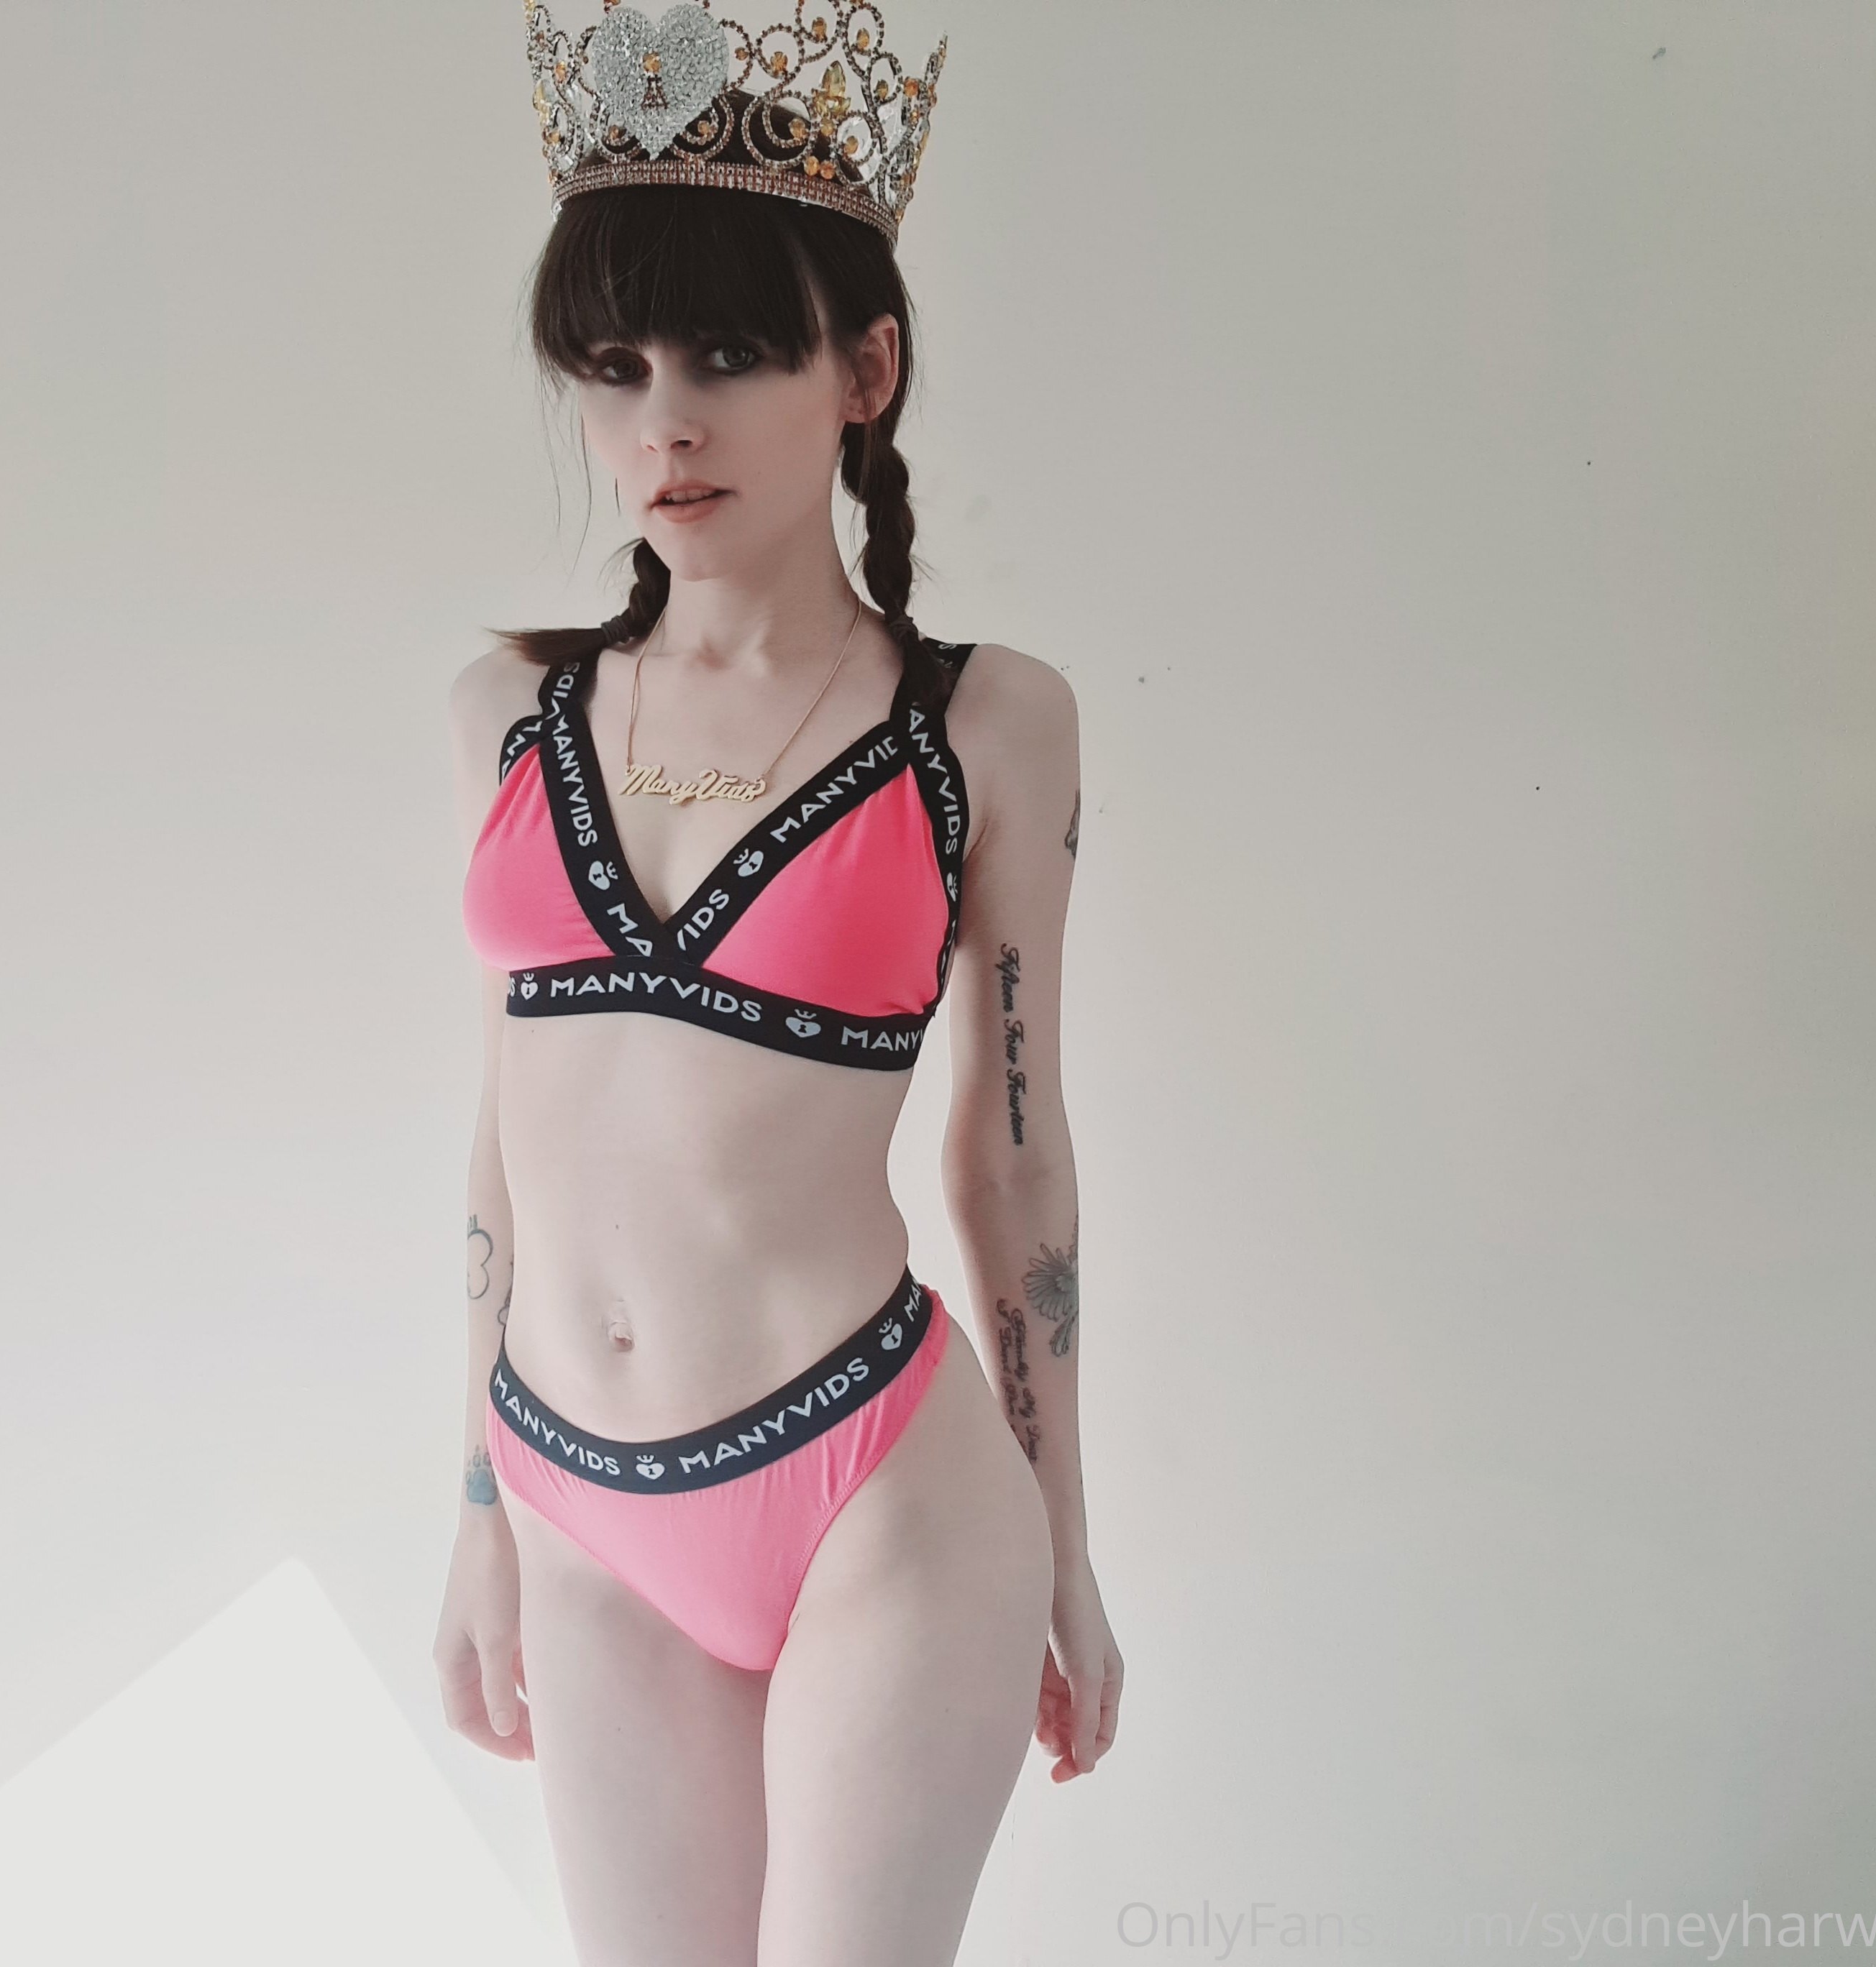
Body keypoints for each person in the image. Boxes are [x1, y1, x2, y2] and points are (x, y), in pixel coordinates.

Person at [433, 6, 1122, 1961]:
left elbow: (1011, 1161)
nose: (663, 423)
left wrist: (1065, 1543)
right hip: (573, 1495)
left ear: (863, 370)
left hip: (874, 1492)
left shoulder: (981, 724)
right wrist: (478, 1512)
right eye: (614, 366)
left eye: (729, 355)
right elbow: (504, 1146)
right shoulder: (509, 716)